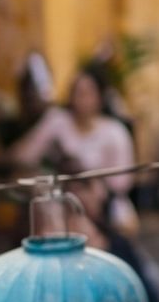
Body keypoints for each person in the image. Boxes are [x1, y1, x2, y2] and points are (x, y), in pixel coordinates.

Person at [13, 68, 138, 224]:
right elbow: (24, 156)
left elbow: (121, 183)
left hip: (104, 204)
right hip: (61, 200)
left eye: (87, 93)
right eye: (77, 92)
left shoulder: (114, 131)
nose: (81, 99)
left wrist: (91, 188)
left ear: (100, 96)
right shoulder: (57, 120)